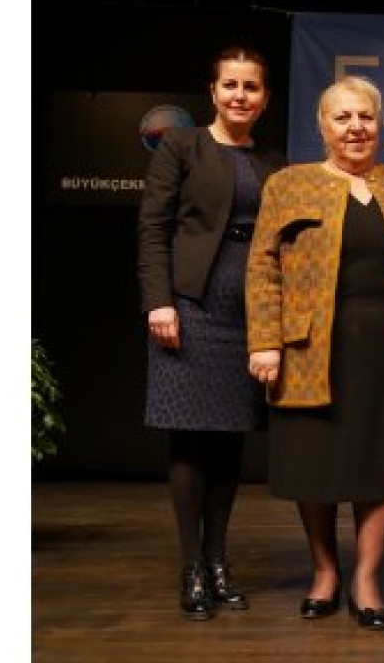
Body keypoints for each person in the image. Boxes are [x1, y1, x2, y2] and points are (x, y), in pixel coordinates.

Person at [245, 75, 384, 632]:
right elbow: (262, 266)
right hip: (308, 349)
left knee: (377, 465)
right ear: (322, 125)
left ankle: (366, 579)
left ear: (379, 125)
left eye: (365, 116)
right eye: (343, 117)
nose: (355, 127)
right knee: (314, 465)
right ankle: (324, 572)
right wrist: (265, 341)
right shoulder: (288, 184)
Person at [137, 45, 287, 621]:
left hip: (252, 314)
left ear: (265, 98)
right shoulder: (182, 146)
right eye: (231, 85)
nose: (240, 95)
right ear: (213, 92)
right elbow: (153, 230)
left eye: (251, 87)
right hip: (191, 307)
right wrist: (160, 301)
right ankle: (192, 566)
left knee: (229, 441)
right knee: (189, 440)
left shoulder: (274, 162)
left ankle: (220, 561)